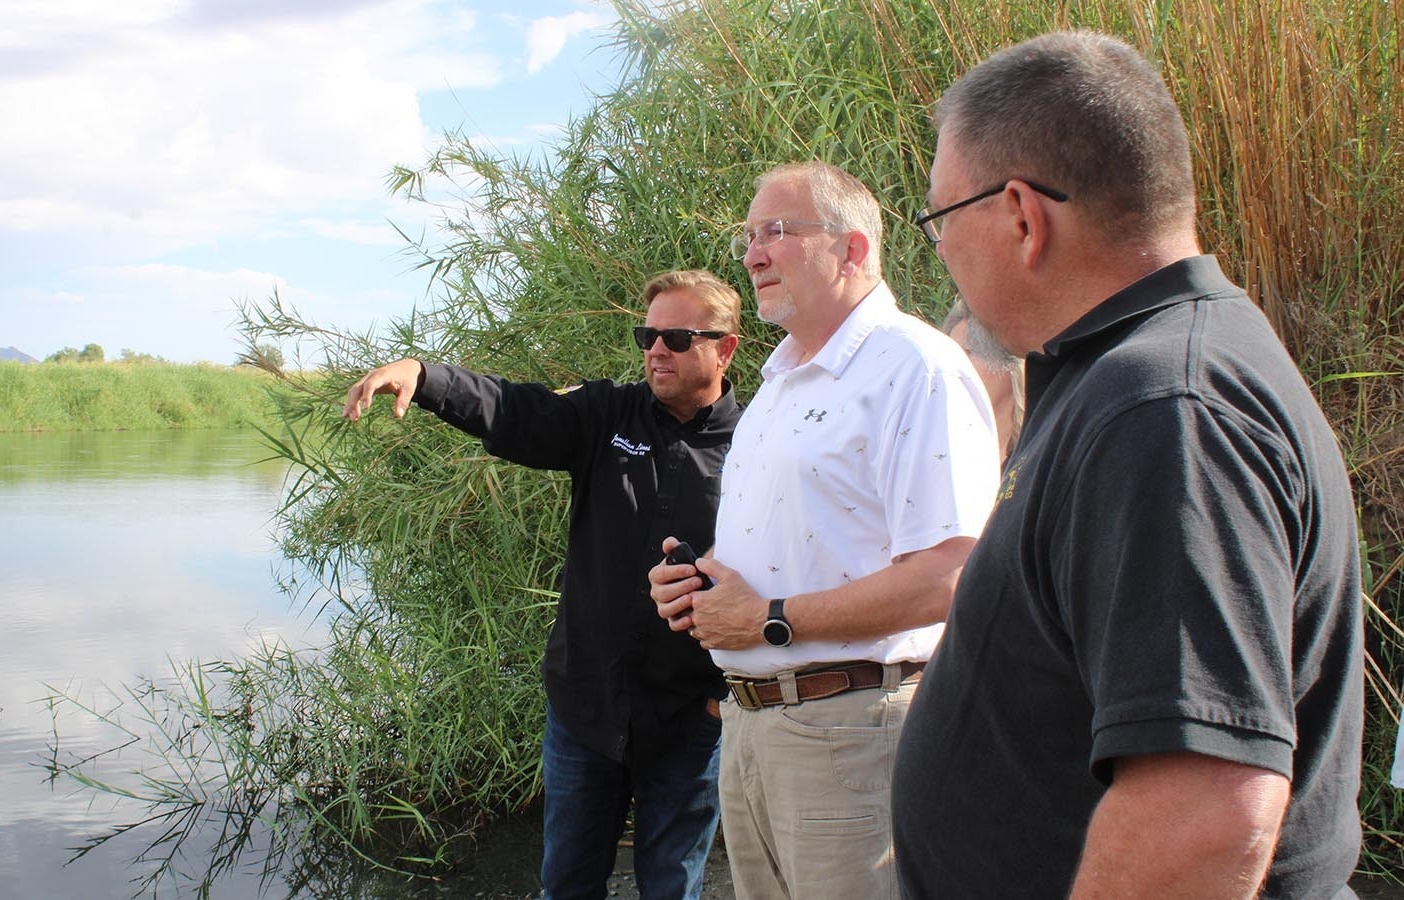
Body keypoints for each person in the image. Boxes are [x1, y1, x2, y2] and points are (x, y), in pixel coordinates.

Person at [893, 31, 1364, 900]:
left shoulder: (1164, 409)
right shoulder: (1141, 372)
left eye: (940, 220)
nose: (943, 256)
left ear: (1022, 217)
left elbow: (1205, 813)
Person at [647, 161, 1000, 899]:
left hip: (850, 731)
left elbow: (952, 573)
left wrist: (769, 621)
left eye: (777, 231)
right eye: (749, 236)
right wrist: (701, 581)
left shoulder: (913, 367)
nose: (752, 255)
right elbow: (791, 539)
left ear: (853, 249)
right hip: (751, 730)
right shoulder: (779, 382)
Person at [343, 270, 745, 900]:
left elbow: (782, 569)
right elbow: (517, 411)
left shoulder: (756, 447)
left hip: (689, 720)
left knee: (673, 885)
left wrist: (727, 694)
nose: (655, 350)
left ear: (724, 348)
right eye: (647, 335)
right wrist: (424, 376)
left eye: (675, 336)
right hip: (585, 708)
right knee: (567, 883)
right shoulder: (605, 414)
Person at [942, 295, 1023, 462]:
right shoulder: (935, 455)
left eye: (970, 351)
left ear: (1013, 364)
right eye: (952, 352)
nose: (956, 365)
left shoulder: (1041, 455)